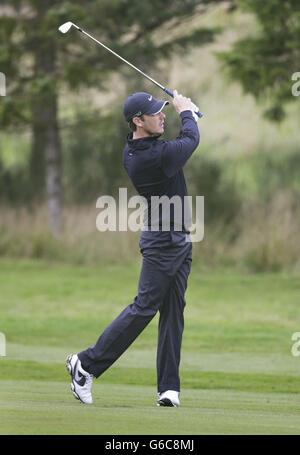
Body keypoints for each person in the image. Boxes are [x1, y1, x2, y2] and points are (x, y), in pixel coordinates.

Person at [66, 90, 200, 407]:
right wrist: (187, 112)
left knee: (173, 311)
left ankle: (168, 388)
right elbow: (190, 141)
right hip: (164, 240)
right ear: (137, 121)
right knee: (144, 308)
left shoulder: (140, 147)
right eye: (155, 113)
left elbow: (180, 138)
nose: (162, 115)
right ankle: (86, 364)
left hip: (177, 237)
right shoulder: (153, 157)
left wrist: (186, 113)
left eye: (163, 110)